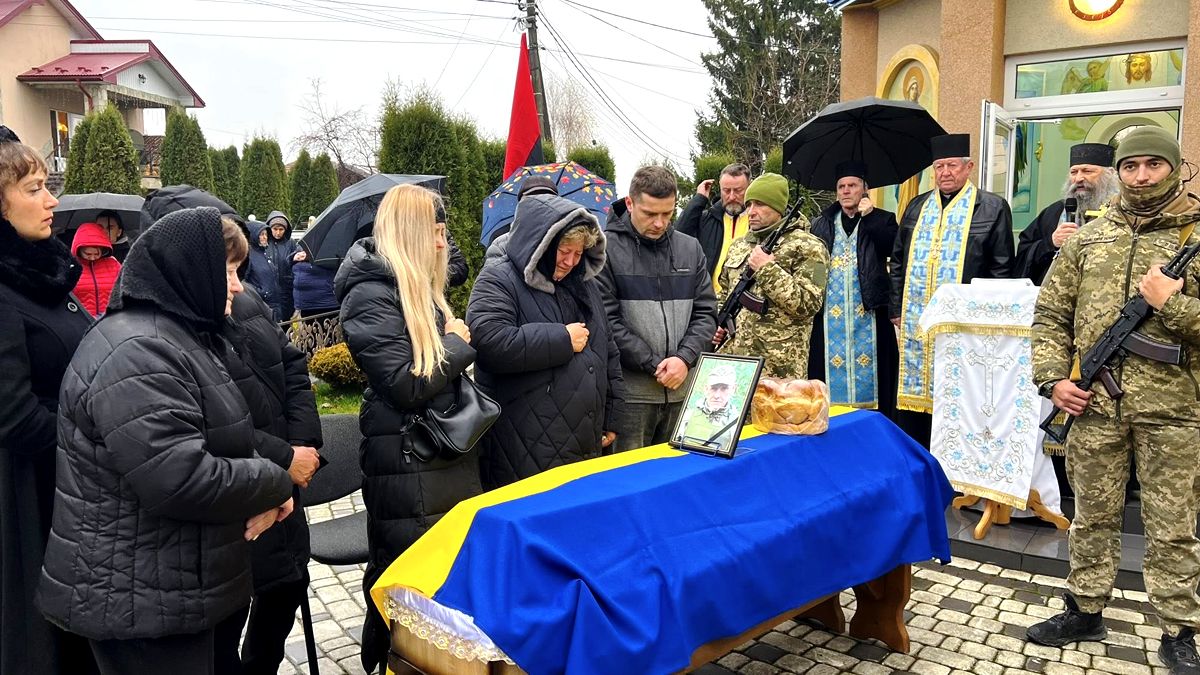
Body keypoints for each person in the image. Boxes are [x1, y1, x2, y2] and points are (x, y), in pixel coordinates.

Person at [39, 206, 295, 675]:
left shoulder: (182, 337)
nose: (238, 287)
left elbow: (224, 438)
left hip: (179, 585)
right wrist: (276, 481)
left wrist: (268, 486)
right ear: (189, 272)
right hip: (141, 603)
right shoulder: (139, 350)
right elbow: (180, 478)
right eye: (228, 272)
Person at [1027, 127, 1200, 675]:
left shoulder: (1194, 236)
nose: (1141, 176)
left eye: (1153, 164)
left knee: (1172, 525)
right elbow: (1051, 314)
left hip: (1174, 412)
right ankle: (1084, 610)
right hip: (1094, 406)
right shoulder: (1089, 238)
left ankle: (1179, 630)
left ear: (1174, 168)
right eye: (1130, 166)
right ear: (1118, 172)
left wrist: (1171, 305)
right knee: (1092, 516)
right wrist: (1053, 379)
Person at [335, 184, 483, 674]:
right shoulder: (368, 294)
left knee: (443, 580)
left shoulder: (415, 285)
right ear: (413, 233)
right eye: (437, 232)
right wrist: (455, 342)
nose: (444, 243)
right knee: (408, 580)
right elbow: (405, 382)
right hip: (406, 459)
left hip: (437, 454)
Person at [0, 128, 95, 674]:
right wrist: (92, 443)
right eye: (35, 188)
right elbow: (13, 415)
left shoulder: (43, 274)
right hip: (30, 495)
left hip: (69, 488)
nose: (51, 201)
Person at [467, 193, 623, 490]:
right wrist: (562, 339)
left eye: (578, 254)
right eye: (564, 251)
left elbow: (608, 351)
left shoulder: (585, 285)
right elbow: (489, 342)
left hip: (584, 440)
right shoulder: (498, 279)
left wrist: (612, 416)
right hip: (523, 446)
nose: (570, 261)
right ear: (541, 245)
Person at [889, 133, 1015, 448]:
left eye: (952, 165)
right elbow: (898, 260)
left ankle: (954, 460)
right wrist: (896, 308)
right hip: (917, 320)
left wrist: (989, 319)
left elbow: (1001, 268)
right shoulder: (917, 206)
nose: (945, 172)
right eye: (939, 166)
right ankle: (917, 457)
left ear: (968, 167)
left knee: (961, 392)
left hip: (966, 323)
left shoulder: (992, 207)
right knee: (914, 398)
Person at [597, 165, 717, 453]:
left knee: (681, 475)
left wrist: (684, 359)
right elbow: (606, 321)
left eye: (668, 213)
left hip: (683, 393)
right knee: (630, 476)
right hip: (630, 397)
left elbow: (706, 313)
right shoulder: (604, 250)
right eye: (650, 214)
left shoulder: (690, 248)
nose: (660, 223)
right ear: (630, 203)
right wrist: (654, 364)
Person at [713, 173, 829, 379]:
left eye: (760, 204)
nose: (751, 212)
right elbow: (725, 291)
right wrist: (718, 322)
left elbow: (810, 304)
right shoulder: (740, 245)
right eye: (749, 205)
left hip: (779, 368)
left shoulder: (812, 247)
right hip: (734, 364)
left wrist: (767, 269)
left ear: (778, 208)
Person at [807, 161, 899, 416]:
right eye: (841, 186)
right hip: (829, 317)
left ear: (864, 188)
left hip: (870, 312)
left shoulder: (883, 219)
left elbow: (894, 249)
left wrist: (870, 218)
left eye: (852, 185)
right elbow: (815, 264)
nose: (846, 191)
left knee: (878, 379)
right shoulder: (821, 223)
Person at [1016, 143, 1121, 285]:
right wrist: (1051, 243)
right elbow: (1023, 255)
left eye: (1087, 171)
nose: (1078, 178)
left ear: (1110, 174)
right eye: (1074, 172)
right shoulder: (1054, 212)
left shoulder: (1123, 212)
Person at [677, 162, 752, 285]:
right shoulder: (708, 219)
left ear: (749, 188)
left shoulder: (756, 220)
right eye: (726, 191)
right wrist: (699, 199)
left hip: (743, 294)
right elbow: (679, 235)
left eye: (738, 191)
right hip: (709, 294)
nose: (732, 196)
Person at [674, 365, 738, 450]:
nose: (717, 396)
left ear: (733, 389)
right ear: (706, 389)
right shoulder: (687, 414)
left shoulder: (736, 420)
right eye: (713, 388)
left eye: (724, 389)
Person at [71, 220, 121, 317]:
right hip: (81, 318)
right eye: (88, 254)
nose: (92, 258)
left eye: (97, 254)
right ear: (78, 250)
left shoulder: (113, 264)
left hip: (109, 317)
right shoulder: (71, 266)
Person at [246, 219, 285, 320]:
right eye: (261, 234)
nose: (265, 237)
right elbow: (243, 281)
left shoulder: (264, 253)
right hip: (261, 305)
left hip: (274, 305)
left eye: (266, 234)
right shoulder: (248, 255)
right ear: (253, 236)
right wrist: (261, 293)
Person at [265, 210, 300, 320]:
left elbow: (295, 264)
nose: (278, 232)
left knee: (286, 320)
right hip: (269, 290)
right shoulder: (264, 243)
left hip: (286, 290)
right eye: (275, 229)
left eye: (281, 229)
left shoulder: (291, 243)